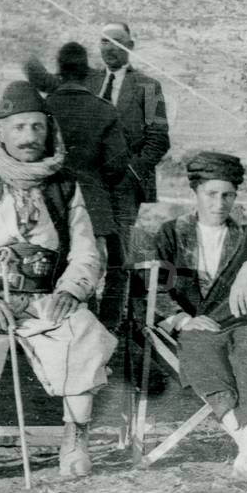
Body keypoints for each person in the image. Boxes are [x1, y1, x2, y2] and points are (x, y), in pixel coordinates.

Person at [0, 82, 117, 484]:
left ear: (49, 131)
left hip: (45, 298)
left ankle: (74, 440)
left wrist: (70, 290)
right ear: (0, 133)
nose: (29, 137)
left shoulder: (65, 186)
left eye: (37, 127)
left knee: (83, 330)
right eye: (20, 128)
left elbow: (85, 253)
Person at [154, 152, 247, 484]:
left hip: (237, 324)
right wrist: (181, 319)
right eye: (211, 194)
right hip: (190, 327)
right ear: (195, 193)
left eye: (228, 195)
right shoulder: (171, 233)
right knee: (203, 348)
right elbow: (151, 287)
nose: (220, 203)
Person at [25, 22, 170, 328]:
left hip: (123, 186)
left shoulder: (149, 86)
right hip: (85, 187)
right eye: (104, 42)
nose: (110, 48)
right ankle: (78, 321)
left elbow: (159, 138)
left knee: (117, 258)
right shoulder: (86, 79)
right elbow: (44, 80)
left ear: (131, 43)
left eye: (117, 41)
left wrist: (131, 173)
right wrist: (27, 45)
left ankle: (110, 326)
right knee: (76, 252)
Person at [43, 42, 129, 326]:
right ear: (87, 73)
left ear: (59, 72)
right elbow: (117, 165)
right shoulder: (103, 110)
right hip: (95, 204)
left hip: (50, 203)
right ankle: (105, 331)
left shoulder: (44, 109)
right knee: (111, 268)